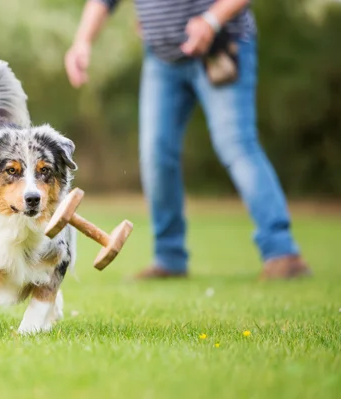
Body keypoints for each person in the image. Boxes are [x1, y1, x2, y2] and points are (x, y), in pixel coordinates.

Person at [64, 0, 312, 280]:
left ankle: (282, 253)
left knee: (237, 145)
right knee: (155, 155)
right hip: (163, 59)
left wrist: (211, 19)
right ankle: (169, 258)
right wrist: (82, 41)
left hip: (221, 47)